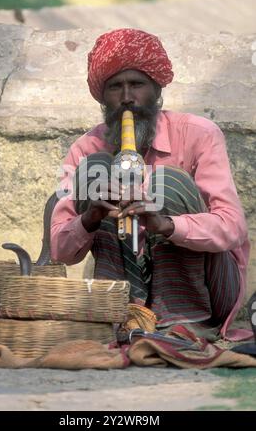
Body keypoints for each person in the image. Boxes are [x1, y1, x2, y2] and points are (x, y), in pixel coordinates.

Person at [51, 28, 250, 340]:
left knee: (165, 182)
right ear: (103, 97)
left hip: (207, 294)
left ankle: (182, 322)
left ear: (157, 90)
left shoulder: (200, 134)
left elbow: (233, 228)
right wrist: (90, 217)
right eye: (116, 87)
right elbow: (61, 252)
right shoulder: (85, 148)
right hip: (124, 290)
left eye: (138, 84)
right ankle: (125, 316)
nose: (128, 98)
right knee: (96, 170)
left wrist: (165, 224)